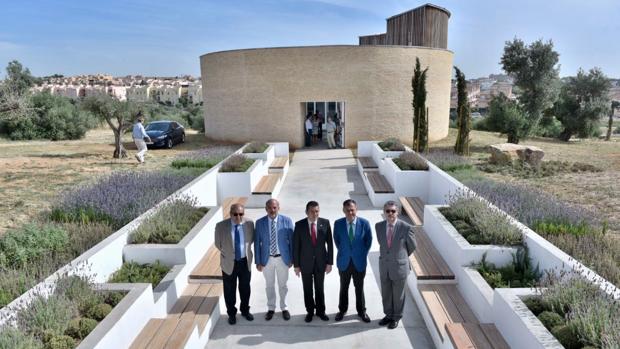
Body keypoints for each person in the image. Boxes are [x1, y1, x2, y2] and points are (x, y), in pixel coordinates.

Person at [375, 200, 416, 330]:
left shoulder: (406, 227)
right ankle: (388, 315)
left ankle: (396, 317)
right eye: (388, 211)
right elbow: (383, 245)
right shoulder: (379, 226)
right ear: (384, 212)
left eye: (393, 211)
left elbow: (412, 246)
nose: (390, 213)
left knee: (398, 295)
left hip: (399, 267)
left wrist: (400, 257)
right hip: (384, 267)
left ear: (397, 212)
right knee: (386, 293)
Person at [214, 203, 255, 325]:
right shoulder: (221, 226)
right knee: (229, 290)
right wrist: (229, 254)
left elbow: (251, 240)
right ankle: (231, 314)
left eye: (241, 214)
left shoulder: (249, 224)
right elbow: (218, 244)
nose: (238, 217)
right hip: (228, 262)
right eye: (235, 214)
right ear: (230, 214)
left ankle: (245, 311)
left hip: (244, 262)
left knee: (245, 288)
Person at [293, 201, 333, 323]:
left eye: (317, 211)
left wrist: (329, 263)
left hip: (321, 263)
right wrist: (296, 265)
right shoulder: (299, 225)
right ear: (306, 212)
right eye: (312, 211)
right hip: (305, 264)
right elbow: (296, 247)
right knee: (307, 289)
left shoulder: (325, 223)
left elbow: (330, 244)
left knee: (320, 289)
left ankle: (321, 311)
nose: (315, 214)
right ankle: (310, 312)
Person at [254, 199, 294, 321]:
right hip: (267, 260)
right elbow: (257, 243)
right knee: (269, 285)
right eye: (270, 208)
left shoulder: (287, 221)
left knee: (283, 285)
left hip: (283, 259)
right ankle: (271, 308)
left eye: (274, 207)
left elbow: (292, 242)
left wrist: (292, 259)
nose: (272, 210)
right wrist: (258, 261)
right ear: (266, 209)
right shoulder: (260, 223)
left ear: (278, 208)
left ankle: (284, 307)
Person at [333, 199, 372, 323]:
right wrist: (346, 253)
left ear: (356, 209)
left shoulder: (364, 223)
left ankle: (362, 311)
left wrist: (360, 254)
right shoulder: (338, 224)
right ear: (343, 210)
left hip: (359, 262)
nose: (350, 212)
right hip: (344, 262)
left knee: (359, 287)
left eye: (352, 210)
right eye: (348, 210)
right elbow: (337, 241)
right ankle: (342, 310)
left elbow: (368, 241)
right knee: (343, 287)